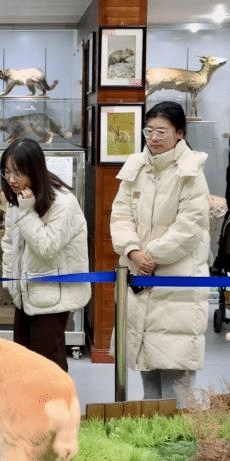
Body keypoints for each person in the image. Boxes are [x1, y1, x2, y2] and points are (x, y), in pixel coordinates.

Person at [110, 101, 210, 408]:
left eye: (161, 131)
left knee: (177, 387)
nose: (153, 138)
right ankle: (149, 434)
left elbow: (189, 227)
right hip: (140, 280)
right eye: (148, 130)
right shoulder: (136, 166)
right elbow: (120, 215)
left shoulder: (191, 172)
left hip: (177, 284)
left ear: (180, 134)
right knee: (148, 376)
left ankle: (180, 437)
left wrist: (150, 255)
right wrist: (132, 251)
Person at [0, 137, 90, 372]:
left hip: (53, 296)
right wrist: (10, 283)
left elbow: (47, 247)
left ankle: (57, 399)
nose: (11, 179)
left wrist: (27, 213)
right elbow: (9, 242)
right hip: (24, 294)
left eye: (18, 173)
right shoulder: (18, 199)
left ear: (35, 169)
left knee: (48, 366)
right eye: (7, 172)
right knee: (23, 364)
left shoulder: (63, 202)